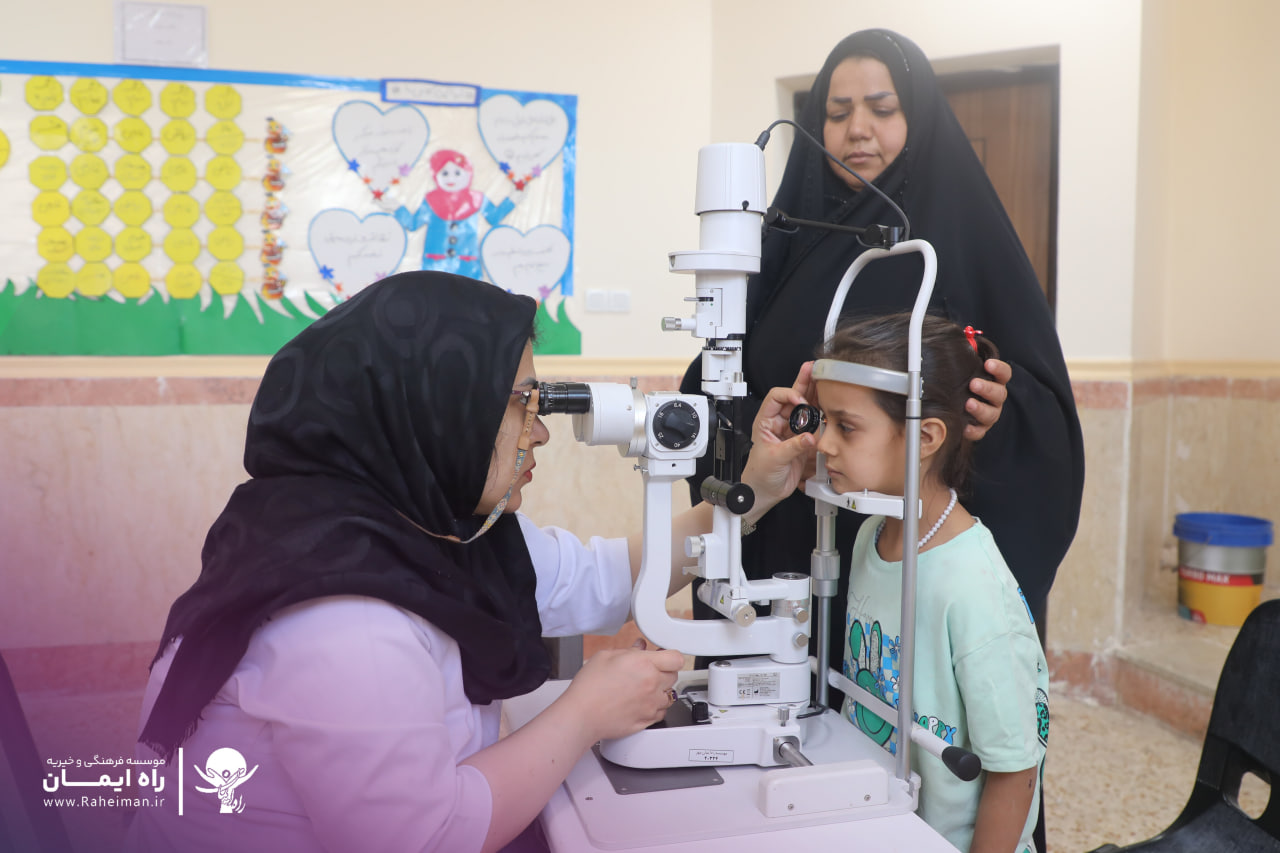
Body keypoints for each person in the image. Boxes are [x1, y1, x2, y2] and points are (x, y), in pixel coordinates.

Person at [123, 271, 802, 853]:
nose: (541, 432)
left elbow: (601, 577)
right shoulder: (341, 616)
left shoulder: (428, 528)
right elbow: (423, 839)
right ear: (435, 406)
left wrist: (755, 493)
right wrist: (585, 712)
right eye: (522, 403)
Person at [681, 26, 1083, 664]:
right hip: (785, 547)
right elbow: (717, 374)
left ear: (917, 118)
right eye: (838, 112)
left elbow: (1039, 412)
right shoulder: (788, 237)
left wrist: (995, 409)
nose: (858, 130)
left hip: (902, 567)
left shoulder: (961, 237)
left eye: (882, 108)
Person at [767, 313, 1049, 853]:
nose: (823, 444)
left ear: (924, 436)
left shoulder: (972, 586)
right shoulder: (873, 534)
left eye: (846, 426)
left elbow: (1015, 769)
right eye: (823, 421)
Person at [392, 149, 521, 279]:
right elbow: (413, 224)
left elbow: (494, 217)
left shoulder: (477, 199)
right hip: (435, 265)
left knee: (468, 291)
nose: (451, 178)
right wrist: (395, 207)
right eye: (445, 173)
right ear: (436, 175)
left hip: (467, 266)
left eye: (457, 173)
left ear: (468, 174)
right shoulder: (431, 200)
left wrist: (513, 198)